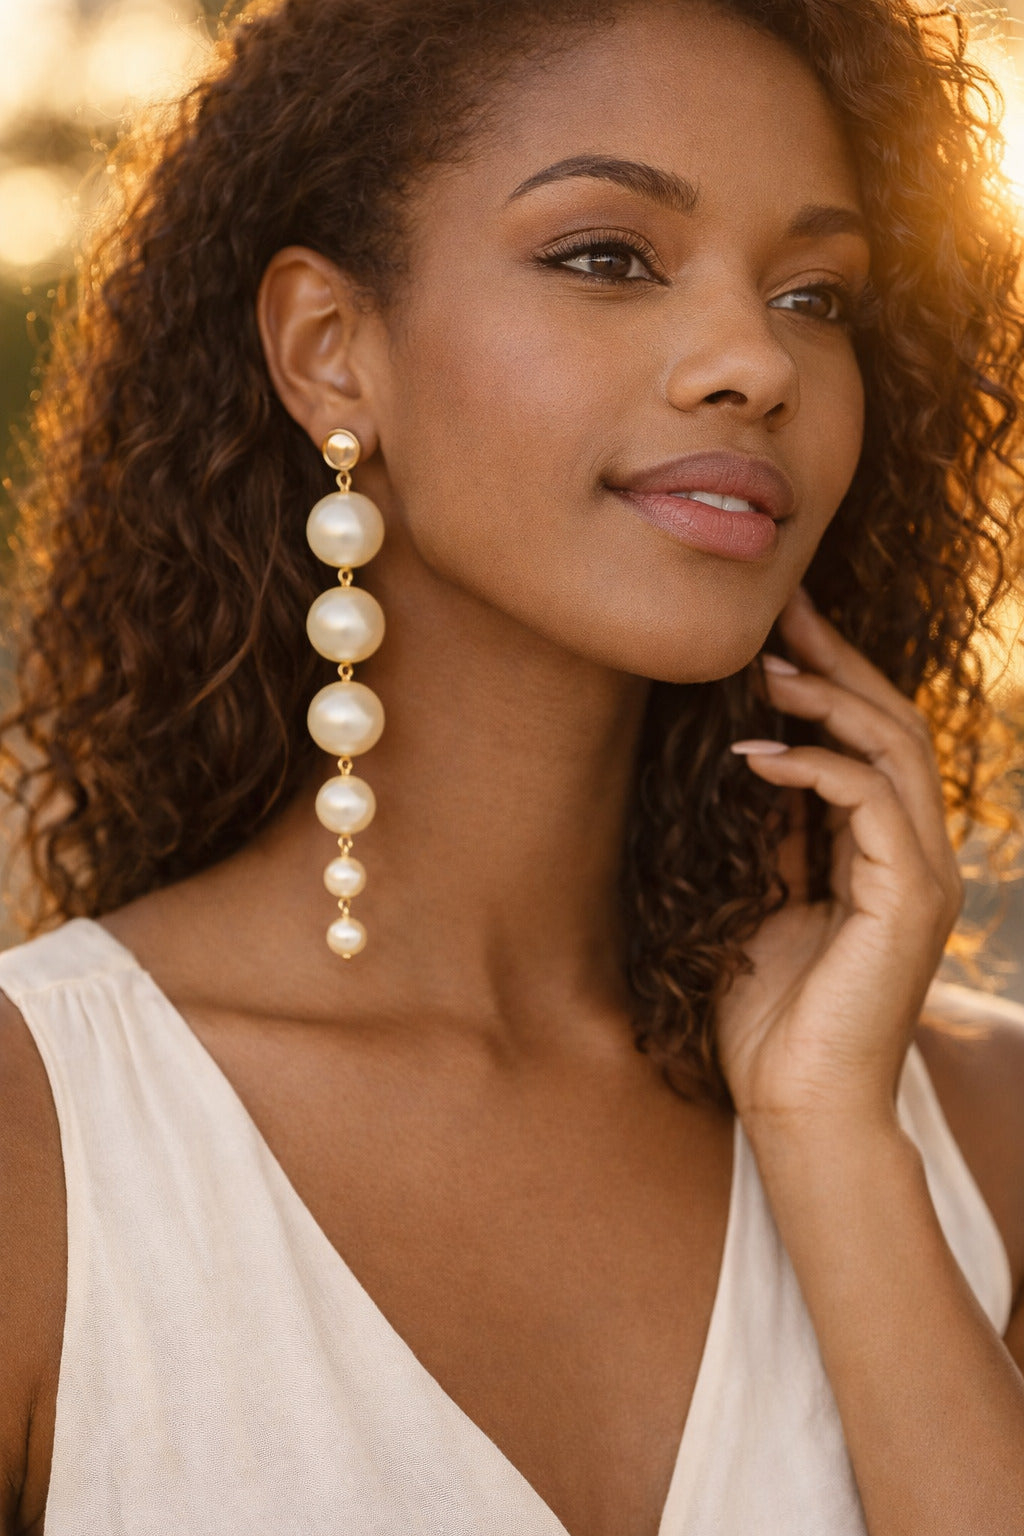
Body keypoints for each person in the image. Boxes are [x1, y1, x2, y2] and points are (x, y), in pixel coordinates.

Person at [1, 0, 1023, 1530]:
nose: (756, 359)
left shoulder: (976, 1120)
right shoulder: (42, 1142)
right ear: (330, 351)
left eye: (818, 294)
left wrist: (833, 1141)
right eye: (608, 256)